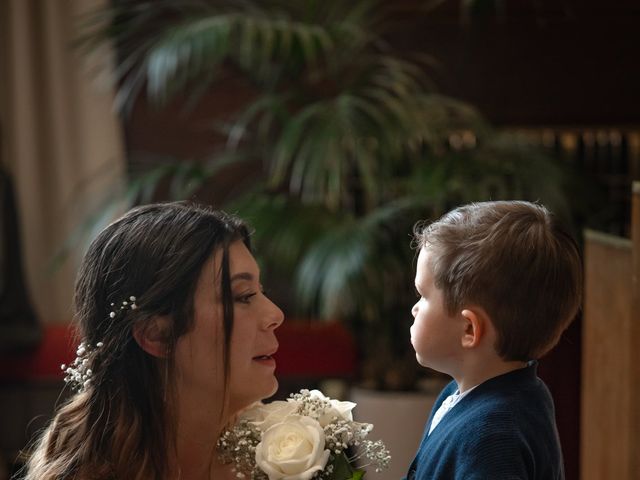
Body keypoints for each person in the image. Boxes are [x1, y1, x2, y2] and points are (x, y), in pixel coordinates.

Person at [19, 202, 284, 480]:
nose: (275, 314)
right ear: (156, 335)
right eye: (242, 296)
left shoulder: (294, 455)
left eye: (260, 291)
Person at [405, 200, 582, 480]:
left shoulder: (493, 438)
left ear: (469, 330)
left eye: (423, 296)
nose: (415, 308)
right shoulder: (462, 393)